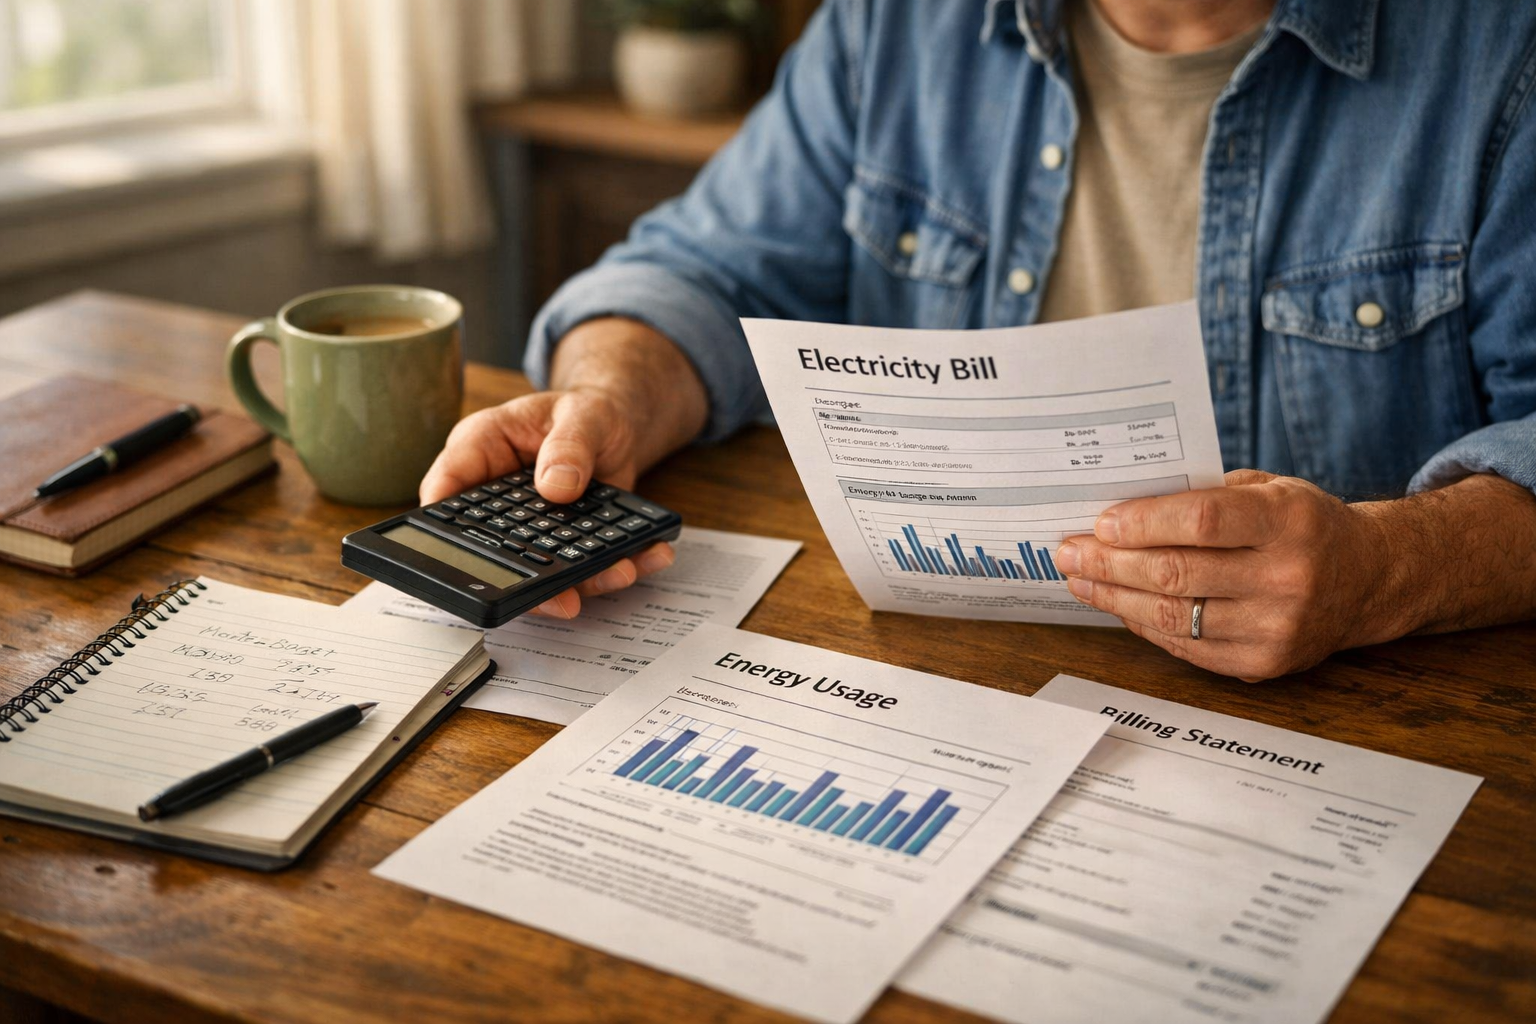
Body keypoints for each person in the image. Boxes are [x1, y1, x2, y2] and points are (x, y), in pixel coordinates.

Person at [422, 0, 1536, 681]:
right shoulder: (895, 23)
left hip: (1347, 729)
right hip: (932, 684)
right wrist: (610, 395)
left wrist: (1387, 570)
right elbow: (699, 269)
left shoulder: (1503, 55)